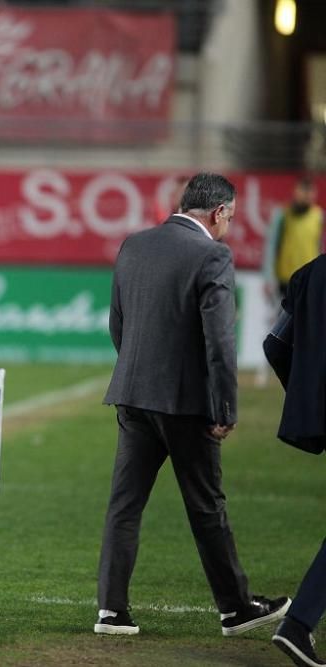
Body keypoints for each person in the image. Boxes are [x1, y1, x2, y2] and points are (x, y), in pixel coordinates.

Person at [95, 172, 290, 636]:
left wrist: (138, 376)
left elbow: (117, 324)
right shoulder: (213, 255)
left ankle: (111, 612)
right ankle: (236, 608)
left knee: (124, 506)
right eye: (231, 217)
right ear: (219, 212)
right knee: (207, 507)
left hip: (133, 398)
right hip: (185, 405)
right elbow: (219, 342)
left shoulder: (134, 245)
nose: (229, 226)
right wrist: (224, 407)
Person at [262, 255, 326, 666]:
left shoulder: (312, 272)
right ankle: (298, 623)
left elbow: (274, 344)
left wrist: (307, 397)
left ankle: (299, 624)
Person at [263, 177, 323, 300]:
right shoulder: (283, 214)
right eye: (303, 191)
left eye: (310, 192)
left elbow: (320, 247)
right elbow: (271, 246)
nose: (307, 196)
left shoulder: (319, 216)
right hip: (286, 279)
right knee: (284, 318)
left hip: (309, 279)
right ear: (295, 192)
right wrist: (268, 277)